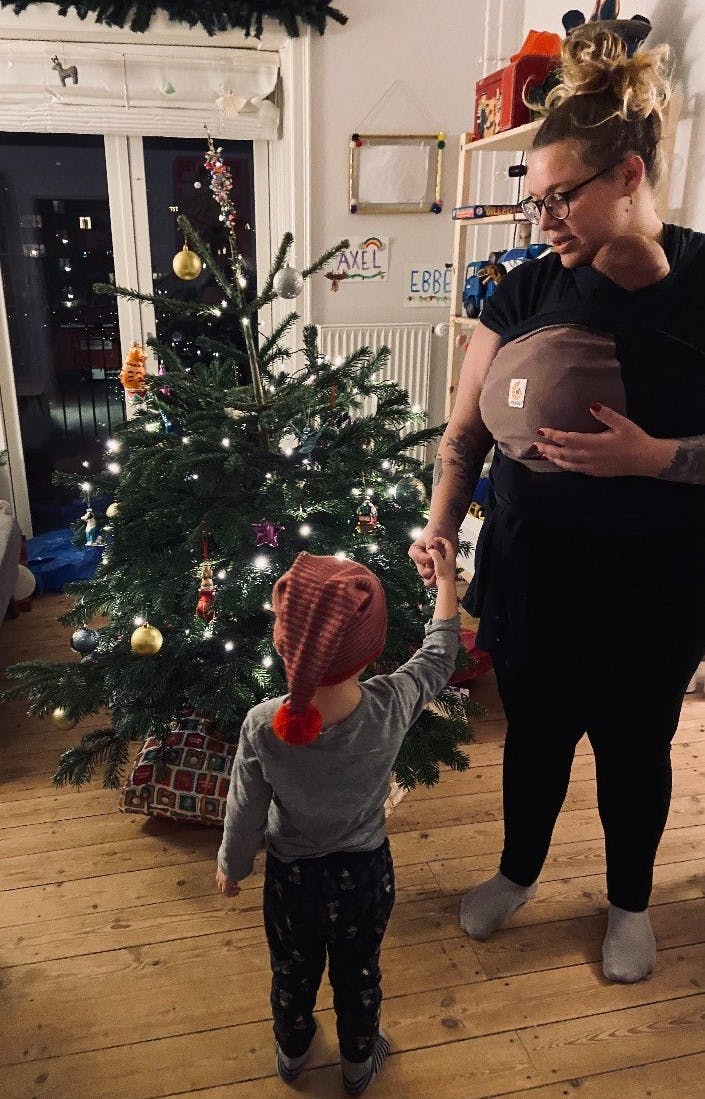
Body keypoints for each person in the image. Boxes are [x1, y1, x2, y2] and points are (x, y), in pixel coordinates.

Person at [409, 26, 705, 984]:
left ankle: (628, 904)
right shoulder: (522, 289)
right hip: (532, 565)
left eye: (557, 198)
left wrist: (652, 458)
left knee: (633, 746)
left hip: (657, 576)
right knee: (533, 737)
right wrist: (440, 520)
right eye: (531, 201)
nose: (542, 222)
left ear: (627, 175)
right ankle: (517, 871)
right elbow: (464, 433)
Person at [216, 544, 459, 1091]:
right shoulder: (391, 702)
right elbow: (440, 656)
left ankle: (293, 1052)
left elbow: (245, 804)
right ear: (370, 652)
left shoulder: (262, 724)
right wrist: (445, 581)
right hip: (365, 875)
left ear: (283, 643)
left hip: (292, 882)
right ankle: (357, 1061)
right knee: (359, 971)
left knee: (292, 972)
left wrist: (232, 865)